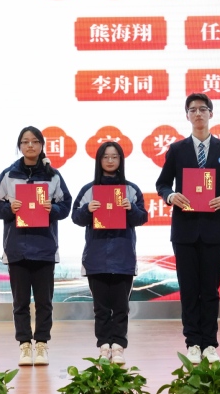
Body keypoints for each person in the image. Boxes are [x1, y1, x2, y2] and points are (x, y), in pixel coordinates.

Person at [155, 93, 220, 364]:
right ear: (187, 116)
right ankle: (193, 342)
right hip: (185, 231)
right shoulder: (177, 150)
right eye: (192, 110)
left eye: (202, 109)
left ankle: (210, 344)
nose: (198, 114)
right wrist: (171, 196)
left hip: (215, 230)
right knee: (189, 289)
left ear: (210, 114)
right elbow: (162, 184)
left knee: (211, 290)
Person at [0, 126, 72, 367]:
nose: (30, 145)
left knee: (45, 302)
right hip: (17, 248)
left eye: (35, 141)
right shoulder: (9, 174)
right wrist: (9, 209)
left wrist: (52, 209)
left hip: (44, 247)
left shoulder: (53, 175)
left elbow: (66, 206)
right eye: (25, 142)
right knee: (20, 302)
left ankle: (42, 343)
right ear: (20, 146)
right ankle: (24, 345)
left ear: (42, 145)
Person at [71, 142, 148, 365]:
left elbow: (142, 217)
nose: (110, 161)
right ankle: (104, 346)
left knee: (121, 307)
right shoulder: (89, 190)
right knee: (101, 308)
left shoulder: (131, 190)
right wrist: (88, 210)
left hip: (123, 257)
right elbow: (76, 217)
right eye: (106, 157)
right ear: (99, 160)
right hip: (96, 258)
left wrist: (131, 209)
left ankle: (118, 346)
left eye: (115, 157)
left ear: (121, 160)